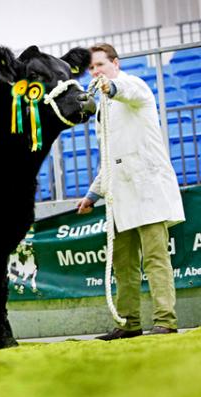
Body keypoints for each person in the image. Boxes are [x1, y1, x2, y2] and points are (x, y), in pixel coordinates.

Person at [76, 43, 185, 340]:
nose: (96, 71)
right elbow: (109, 157)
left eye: (100, 65)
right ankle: (129, 323)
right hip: (119, 196)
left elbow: (126, 90)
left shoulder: (133, 86)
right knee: (123, 265)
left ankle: (165, 320)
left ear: (115, 63)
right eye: (92, 68)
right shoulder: (103, 110)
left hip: (147, 188)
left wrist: (110, 87)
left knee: (156, 258)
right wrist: (92, 195)